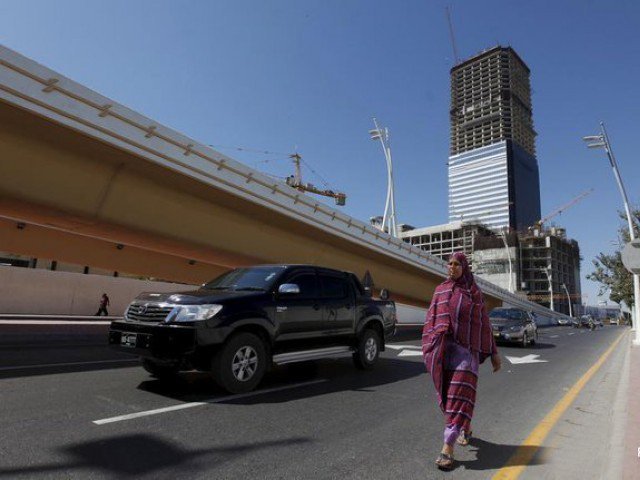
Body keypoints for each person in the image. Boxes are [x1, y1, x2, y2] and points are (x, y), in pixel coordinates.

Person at [421, 252, 501, 471]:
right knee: (450, 398)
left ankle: (447, 447)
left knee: (458, 393)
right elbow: (431, 318)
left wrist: (494, 353)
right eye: (450, 264)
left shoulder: (474, 294)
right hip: (444, 351)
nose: (452, 267)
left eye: (457, 264)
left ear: (465, 268)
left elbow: (484, 324)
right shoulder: (440, 290)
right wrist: (431, 344)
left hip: (467, 353)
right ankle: (465, 426)